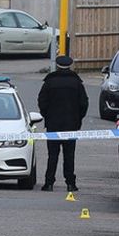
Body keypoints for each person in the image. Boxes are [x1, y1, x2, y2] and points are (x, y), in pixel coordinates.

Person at [38, 54, 89, 192]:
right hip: (71, 125)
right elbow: (84, 103)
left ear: (57, 65)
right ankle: (70, 183)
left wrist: (47, 116)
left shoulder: (49, 82)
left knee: (52, 155)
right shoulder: (77, 83)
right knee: (69, 155)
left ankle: (49, 183)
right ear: (70, 65)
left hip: (53, 125)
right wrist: (78, 118)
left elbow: (42, 102)